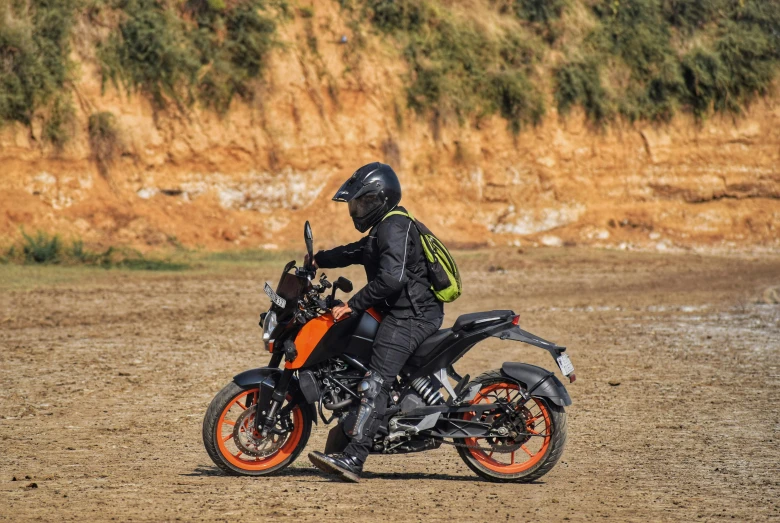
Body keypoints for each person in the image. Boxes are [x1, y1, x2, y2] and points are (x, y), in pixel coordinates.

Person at [306, 162, 444, 482]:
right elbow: (359, 250)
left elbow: (392, 280)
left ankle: (354, 459)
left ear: (379, 199)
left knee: (375, 381)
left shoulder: (394, 227)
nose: (357, 210)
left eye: (362, 202)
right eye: (356, 203)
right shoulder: (385, 226)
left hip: (411, 315)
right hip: (402, 311)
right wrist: (320, 259)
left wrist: (351, 306)